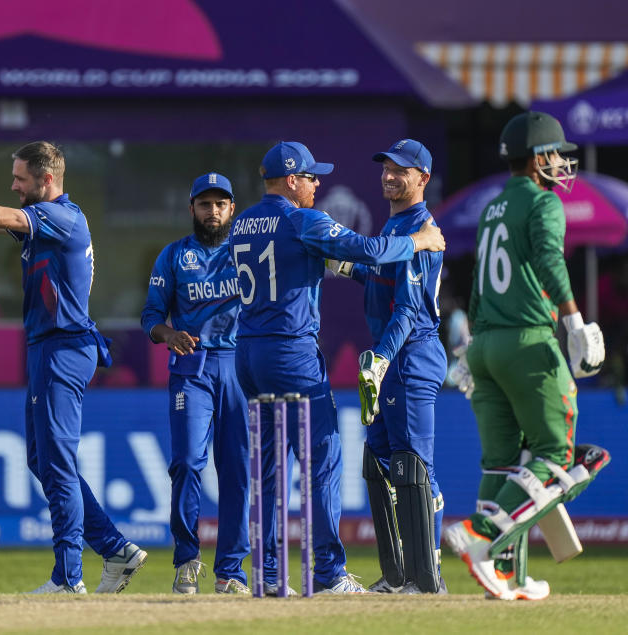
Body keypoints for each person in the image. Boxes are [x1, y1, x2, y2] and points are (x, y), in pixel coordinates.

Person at [0, 133, 147, 594]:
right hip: (52, 348)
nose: (13, 187)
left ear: (47, 179)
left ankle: (68, 579)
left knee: (57, 462)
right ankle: (116, 550)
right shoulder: (46, 220)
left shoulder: (60, 217)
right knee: (41, 459)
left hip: (63, 348)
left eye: (20, 179)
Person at [229, 141, 446, 594]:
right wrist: (418, 241)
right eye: (310, 177)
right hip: (292, 353)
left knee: (268, 466)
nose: (316, 184)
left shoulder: (244, 220)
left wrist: (345, 269)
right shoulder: (302, 218)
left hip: (247, 352)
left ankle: (269, 576)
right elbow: (368, 248)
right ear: (291, 180)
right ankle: (327, 574)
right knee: (322, 459)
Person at [444, 111, 610, 600]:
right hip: (526, 341)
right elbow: (549, 259)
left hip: (486, 344)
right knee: (558, 456)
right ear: (538, 159)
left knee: (502, 463)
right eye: (556, 154)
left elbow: (477, 283)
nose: (561, 163)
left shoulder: (493, 206)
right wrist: (574, 320)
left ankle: (506, 576)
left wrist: (469, 348)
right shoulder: (542, 203)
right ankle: (480, 535)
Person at [328, 139, 447, 593]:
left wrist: (381, 357)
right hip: (391, 356)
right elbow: (381, 277)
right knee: (379, 463)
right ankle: (397, 576)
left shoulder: (421, 230)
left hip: (410, 355)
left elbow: (408, 311)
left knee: (416, 470)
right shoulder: (397, 223)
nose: (390, 176)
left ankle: (426, 578)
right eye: (386, 168)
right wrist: (347, 267)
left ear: (422, 178)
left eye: (401, 170)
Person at [141, 173, 250, 595]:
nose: (213, 211)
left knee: (238, 471)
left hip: (240, 368)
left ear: (232, 209)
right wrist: (169, 335)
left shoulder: (247, 253)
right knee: (187, 462)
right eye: (204, 204)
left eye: (221, 204)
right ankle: (187, 559)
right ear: (192, 209)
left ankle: (231, 572)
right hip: (193, 368)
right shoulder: (173, 256)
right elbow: (150, 315)